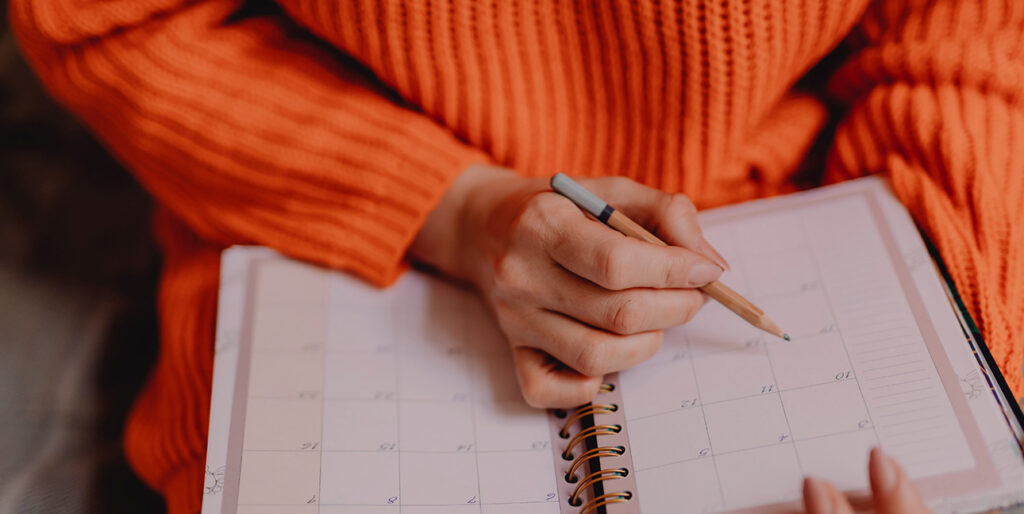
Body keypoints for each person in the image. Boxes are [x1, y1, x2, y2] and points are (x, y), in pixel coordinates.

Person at [10, 0, 1023, 512]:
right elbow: (116, 22)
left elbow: (970, 44)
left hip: (808, 187)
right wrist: (452, 209)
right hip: (330, 206)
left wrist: (970, 387)